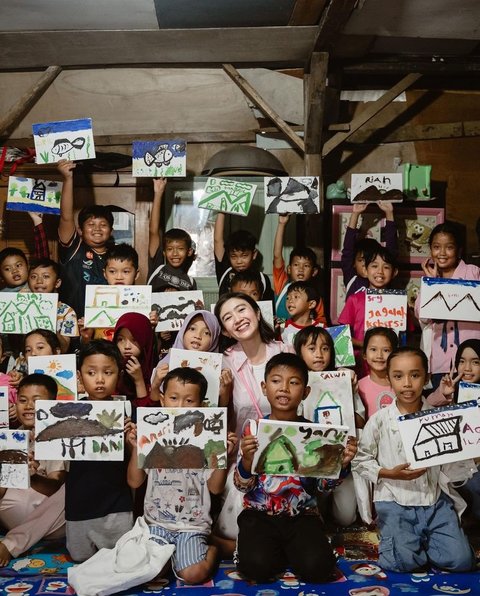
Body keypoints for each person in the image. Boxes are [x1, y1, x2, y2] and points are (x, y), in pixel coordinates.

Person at [234, 352, 357, 583]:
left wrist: (341, 465)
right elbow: (241, 486)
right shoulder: (253, 429)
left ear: (306, 392)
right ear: (264, 387)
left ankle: (291, 549)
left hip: (302, 515)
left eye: (294, 382)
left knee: (318, 569)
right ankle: (272, 549)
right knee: (256, 569)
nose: (284, 388)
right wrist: (247, 462)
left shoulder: (316, 434)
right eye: (276, 381)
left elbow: (322, 485)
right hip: (259, 515)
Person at [352, 346, 476, 573]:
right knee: (404, 563)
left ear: (427, 378)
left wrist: (472, 460)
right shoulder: (379, 421)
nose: (407, 384)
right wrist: (389, 473)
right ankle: (407, 541)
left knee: (461, 561)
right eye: (398, 376)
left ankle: (425, 540)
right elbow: (360, 460)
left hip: (434, 501)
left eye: (415, 375)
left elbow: (452, 468)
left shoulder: (438, 417)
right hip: (395, 501)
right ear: (389, 379)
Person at [127, 367, 236, 584]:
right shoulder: (152, 432)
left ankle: (213, 548)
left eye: (189, 401)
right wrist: (136, 449)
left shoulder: (207, 438)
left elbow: (215, 488)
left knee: (193, 575)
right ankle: (179, 554)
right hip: (156, 523)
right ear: (162, 399)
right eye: (174, 398)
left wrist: (221, 455)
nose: (179, 406)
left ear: (202, 405)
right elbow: (134, 481)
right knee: (149, 572)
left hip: (192, 524)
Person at [65, 340, 133, 562]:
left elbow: (136, 462)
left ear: (119, 375)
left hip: (117, 502)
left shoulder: (127, 413)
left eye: (108, 372)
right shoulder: (67, 413)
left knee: (119, 559)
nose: (100, 379)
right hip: (79, 501)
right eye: (91, 372)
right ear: (79, 375)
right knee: (79, 557)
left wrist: (132, 439)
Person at [293, 326, 363, 526]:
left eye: (325, 348)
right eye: (312, 348)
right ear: (299, 352)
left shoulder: (344, 379)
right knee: (317, 516)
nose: (319, 354)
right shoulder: (296, 383)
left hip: (343, 459)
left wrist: (348, 395)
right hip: (311, 460)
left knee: (346, 518)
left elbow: (360, 421)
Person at [0, 373, 65, 566]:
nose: (28, 406)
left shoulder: (59, 439)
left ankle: (12, 543)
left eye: (37, 401)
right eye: (23, 400)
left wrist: (33, 477)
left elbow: (56, 488)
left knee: (75, 488)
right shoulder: (9, 439)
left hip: (52, 521)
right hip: (13, 513)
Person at [415, 222, 480, 390]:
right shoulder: (429, 278)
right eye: (436, 247)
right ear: (430, 249)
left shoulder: (473, 273)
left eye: (449, 247)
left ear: (458, 250)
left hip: (472, 361)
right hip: (441, 362)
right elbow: (422, 316)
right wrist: (432, 283)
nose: (442, 253)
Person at [57, 159, 113, 317]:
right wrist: (68, 179)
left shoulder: (116, 257)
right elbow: (66, 217)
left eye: (103, 224)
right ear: (80, 230)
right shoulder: (73, 248)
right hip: (72, 327)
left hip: (104, 328)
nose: (97, 228)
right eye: (91, 224)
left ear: (111, 230)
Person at [81, 243, 158, 343]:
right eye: (112, 271)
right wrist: (86, 336)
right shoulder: (95, 303)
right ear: (105, 273)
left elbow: (147, 345)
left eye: (126, 272)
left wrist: (151, 327)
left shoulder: (143, 305)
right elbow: (88, 347)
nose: (119, 277)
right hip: (104, 355)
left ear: (136, 274)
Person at [338, 246, 398, 374]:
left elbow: (403, 338)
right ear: (365, 270)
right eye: (374, 266)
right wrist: (363, 344)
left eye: (386, 267)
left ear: (394, 272)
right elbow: (341, 336)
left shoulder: (398, 302)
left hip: (390, 367)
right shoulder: (355, 300)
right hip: (360, 366)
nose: (380, 271)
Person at [150, 310, 224, 402]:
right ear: (183, 332)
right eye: (192, 329)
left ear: (214, 340)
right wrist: (156, 383)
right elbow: (156, 402)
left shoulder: (220, 370)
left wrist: (226, 388)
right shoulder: (164, 365)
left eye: (206, 333)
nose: (197, 336)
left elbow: (221, 406)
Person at [273, 214, 324, 323]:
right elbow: (277, 256)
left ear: (314, 272)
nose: (300, 269)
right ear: (289, 269)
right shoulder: (282, 285)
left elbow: (321, 322)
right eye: (296, 265)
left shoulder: (314, 296)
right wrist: (282, 224)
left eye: (306, 266)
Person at [147, 178, 196, 292]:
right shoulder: (158, 267)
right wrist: (158, 193)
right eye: (170, 249)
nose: (175, 253)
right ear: (164, 251)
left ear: (189, 252)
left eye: (180, 249)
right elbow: (153, 230)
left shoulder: (191, 282)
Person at [341, 201, 397, 298]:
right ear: (353, 263)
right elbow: (348, 248)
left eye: (370, 261)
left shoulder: (381, 278)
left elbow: (392, 250)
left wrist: (389, 213)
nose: (364, 264)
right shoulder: (351, 276)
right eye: (361, 260)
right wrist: (355, 214)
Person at [213, 213, 273, 299]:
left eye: (244, 256)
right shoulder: (225, 271)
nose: (239, 261)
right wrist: (222, 210)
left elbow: (267, 308)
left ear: (254, 254)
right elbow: (217, 240)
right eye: (234, 256)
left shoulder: (262, 279)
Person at [27, 258, 79, 353]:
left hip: (53, 364)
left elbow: (64, 348)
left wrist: (50, 326)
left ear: (57, 283)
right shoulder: (23, 308)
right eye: (33, 277)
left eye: (46, 276)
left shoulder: (67, 312)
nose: (39, 281)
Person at [113, 312, 158, 412]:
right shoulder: (110, 367)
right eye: (120, 339)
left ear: (145, 339)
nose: (127, 346)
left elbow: (147, 416)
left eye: (134, 339)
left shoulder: (157, 374)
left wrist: (139, 381)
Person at [358, 327, 398, 420]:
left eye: (386, 350)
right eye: (373, 349)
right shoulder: (359, 387)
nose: (379, 355)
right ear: (364, 354)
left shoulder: (401, 384)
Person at [427, 339, 480, 407]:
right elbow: (425, 409)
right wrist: (443, 394)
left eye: (475, 362)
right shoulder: (452, 389)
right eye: (462, 361)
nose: (467, 368)